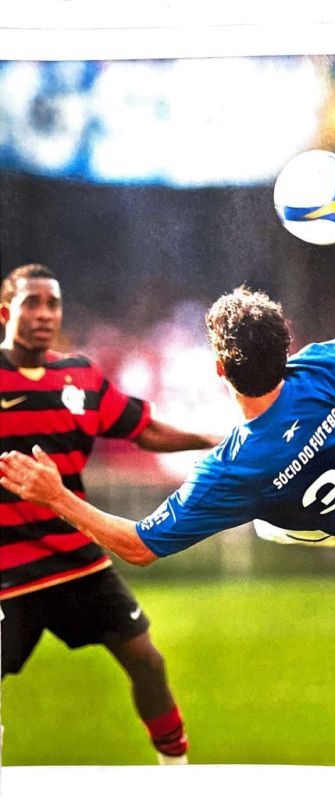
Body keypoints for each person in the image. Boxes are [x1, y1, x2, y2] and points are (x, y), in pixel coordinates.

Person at [0, 203, 335, 573]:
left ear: (220, 370)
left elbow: (139, 546)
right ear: (287, 347)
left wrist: (57, 496)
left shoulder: (231, 470)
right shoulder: (325, 368)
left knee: (267, 524)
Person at [0, 263, 220, 765]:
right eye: (32, 303)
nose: (45, 314)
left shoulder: (80, 376)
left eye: (53, 304)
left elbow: (143, 428)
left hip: (76, 558)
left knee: (148, 662)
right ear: (5, 312)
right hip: (7, 568)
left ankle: (177, 774)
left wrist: (209, 438)